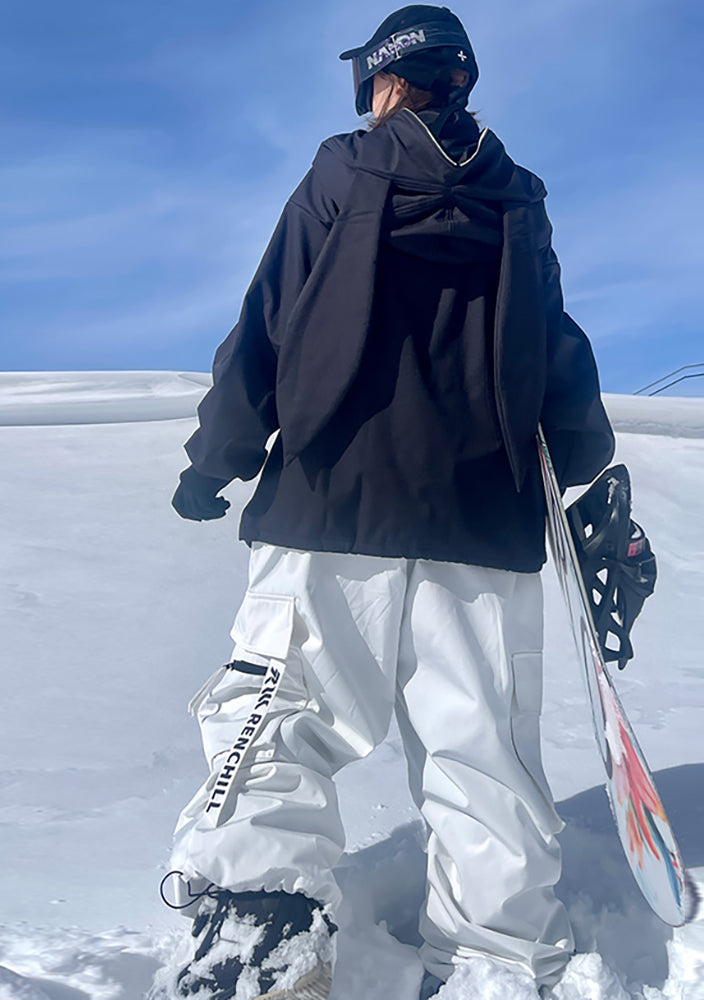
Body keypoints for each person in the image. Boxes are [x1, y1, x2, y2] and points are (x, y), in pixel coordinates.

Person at [160, 6, 615, 1000]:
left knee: (280, 712)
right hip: (483, 523)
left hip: (332, 504)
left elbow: (268, 322)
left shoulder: (342, 172)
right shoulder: (516, 200)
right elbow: (555, 348)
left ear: (386, 81)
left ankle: (264, 930)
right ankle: (498, 957)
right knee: (482, 751)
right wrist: (586, 469)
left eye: (370, 83)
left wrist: (213, 460)